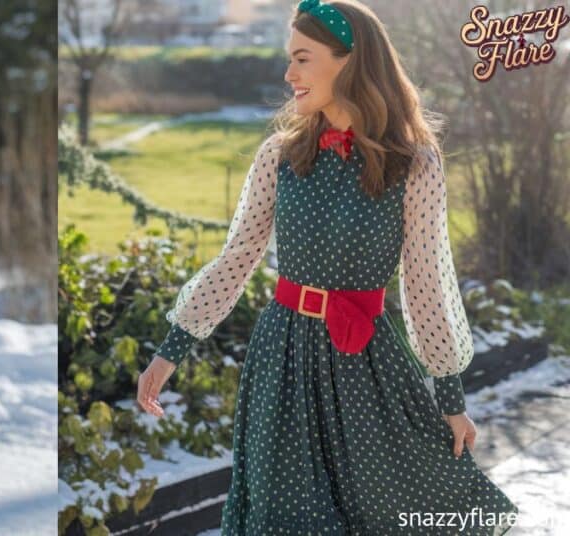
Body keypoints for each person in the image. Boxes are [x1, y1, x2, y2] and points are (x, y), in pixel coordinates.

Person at [136, 0, 519, 534]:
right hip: (283, 360)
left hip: (367, 364)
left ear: (349, 61)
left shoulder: (415, 164)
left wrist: (451, 399)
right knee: (286, 518)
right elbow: (236, 258)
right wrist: (170, 350)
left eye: (302, 58)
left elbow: (427, 284)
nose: (288, 74)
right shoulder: (279, 155)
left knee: (388, 511)